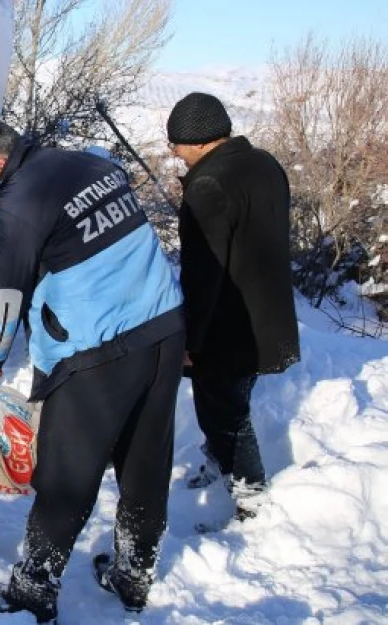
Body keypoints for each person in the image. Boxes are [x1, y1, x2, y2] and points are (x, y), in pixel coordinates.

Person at [0, 117, 185, 622]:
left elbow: (7, 297)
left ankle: (33, 590)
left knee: (66, 474)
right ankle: (132, 575)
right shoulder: (85, 162)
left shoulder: (17, 205)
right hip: (164, 328)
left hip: (100, 349)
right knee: (145, 462)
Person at [166, 92, 300, 523]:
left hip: (229, 326)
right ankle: (221, 464)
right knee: (233, 401)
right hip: (267, 314)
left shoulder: (207, 186)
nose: (174, 153)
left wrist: (192, 339)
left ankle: (251, 499)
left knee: (225, 414)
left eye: (176, 144)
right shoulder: (264, 163)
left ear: (200, 141)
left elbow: (203, 276)